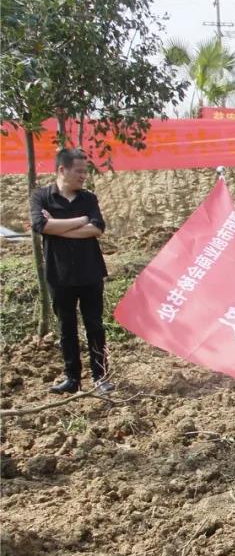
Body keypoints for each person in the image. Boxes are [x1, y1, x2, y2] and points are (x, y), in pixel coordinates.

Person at [29, 149, 114, 395]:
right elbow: (40, 225)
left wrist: (57, 228)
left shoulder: (88, 198)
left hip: (90, 271)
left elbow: (97, 229)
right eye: (79, 171)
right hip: (59, 274)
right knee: (66, 328)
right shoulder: (41, 197)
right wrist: (80, 221)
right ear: (62, 170)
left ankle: (100, 376)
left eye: (85, 171)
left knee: (94, 325)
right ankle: (72, 378)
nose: (83, 176)